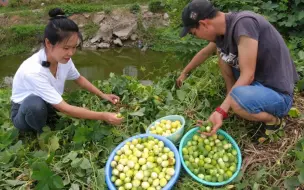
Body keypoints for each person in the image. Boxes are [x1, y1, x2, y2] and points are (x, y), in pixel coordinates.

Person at [178, 0, 299, 143]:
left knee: (236, 101)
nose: (196, 37)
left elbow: (248, 75)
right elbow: (204, 53)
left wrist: (221, 111)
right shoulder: (222, 31)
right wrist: (185, 72)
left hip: (278, 93)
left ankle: (274, 121)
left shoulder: (244, 24)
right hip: (258, 83)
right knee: (221, 53)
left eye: (194, 33)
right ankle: (234, 94)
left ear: (204, 24)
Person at [10, 8, 123, 133]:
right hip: (24, 113)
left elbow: (79, 79)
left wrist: (103, 95)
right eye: (66, 48)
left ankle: (48, 117)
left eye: (74, 47)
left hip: (48, 104)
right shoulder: (33, 70)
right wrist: (103, 116)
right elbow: (65, 109)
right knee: (34, 105)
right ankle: (41, 133)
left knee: (46, 105)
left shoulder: (64, 59)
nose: (71, 53)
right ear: (48, 43)